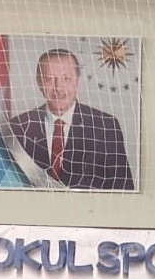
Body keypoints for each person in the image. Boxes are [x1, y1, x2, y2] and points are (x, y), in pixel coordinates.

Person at [11, 48, 135, 191]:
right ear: (39, 82)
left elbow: (123, 190)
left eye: (66, 78)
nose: (58, 87)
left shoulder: (105, 127)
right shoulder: (18, 126)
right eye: (50, 78)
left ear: (77, 82)